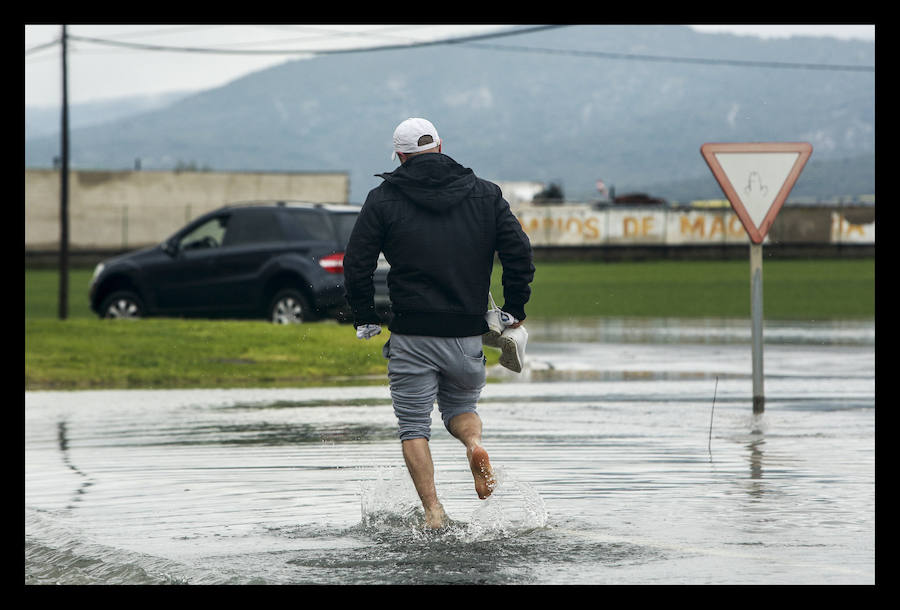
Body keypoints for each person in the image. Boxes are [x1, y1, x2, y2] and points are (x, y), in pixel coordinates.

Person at [343, 117, 535, 529]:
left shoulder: (383, 198)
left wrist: (364, 315)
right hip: (466, 334)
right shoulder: (486, 194)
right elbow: (518, 251)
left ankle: (433, 511)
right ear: (441, 147)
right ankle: (474, 444)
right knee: (462, 407)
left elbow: (357, 262)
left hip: (412, 333)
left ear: (399, 155)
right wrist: (515, 306)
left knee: (414, 426)